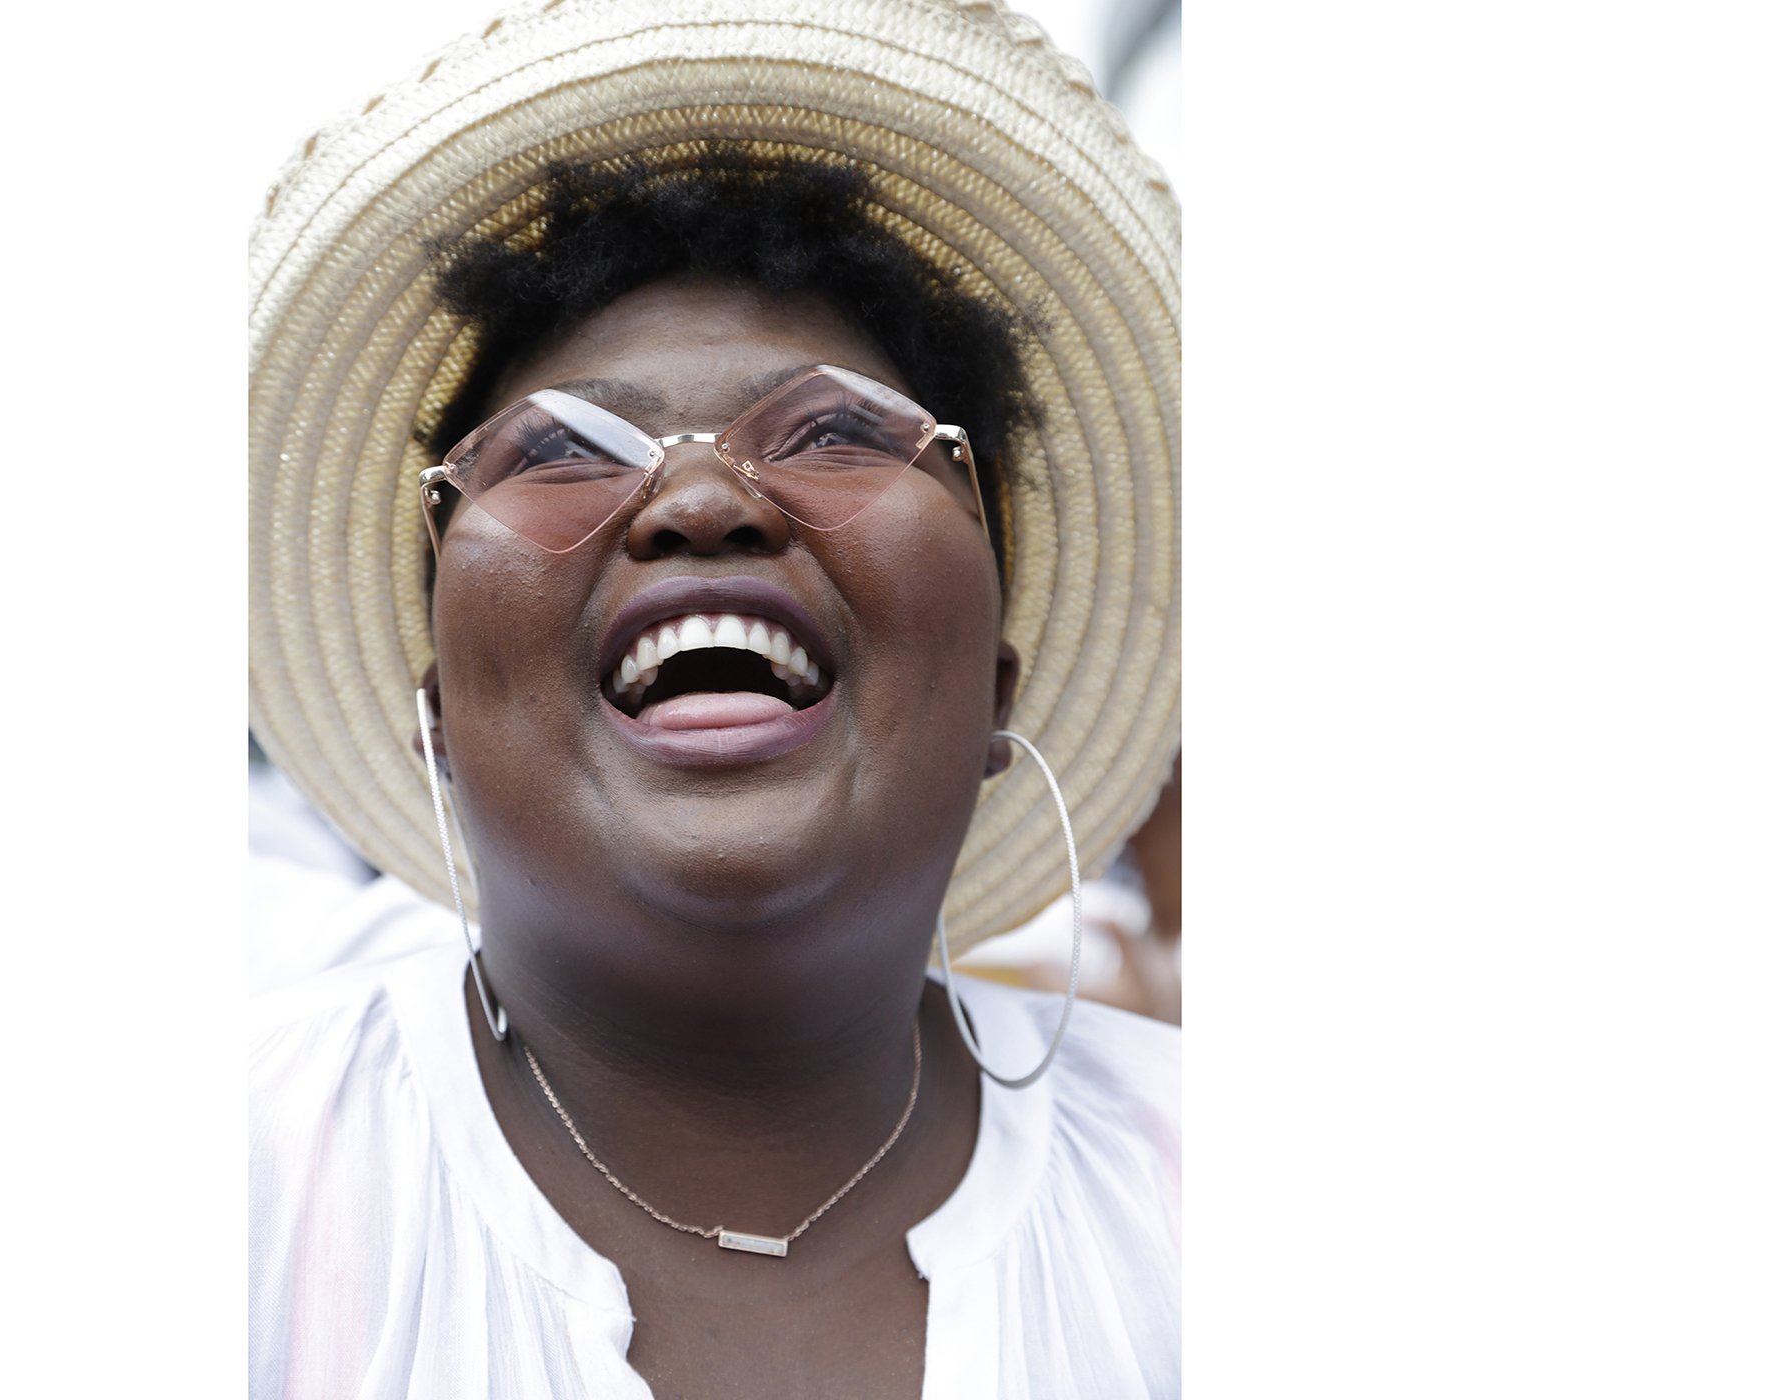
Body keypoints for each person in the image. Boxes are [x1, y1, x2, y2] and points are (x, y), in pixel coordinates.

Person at [248, 2, 1181, 1395]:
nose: (696, 498)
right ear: (436, 711)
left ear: (996, 686)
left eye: (834, 432)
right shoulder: (249, 1186)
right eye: (561, 450)